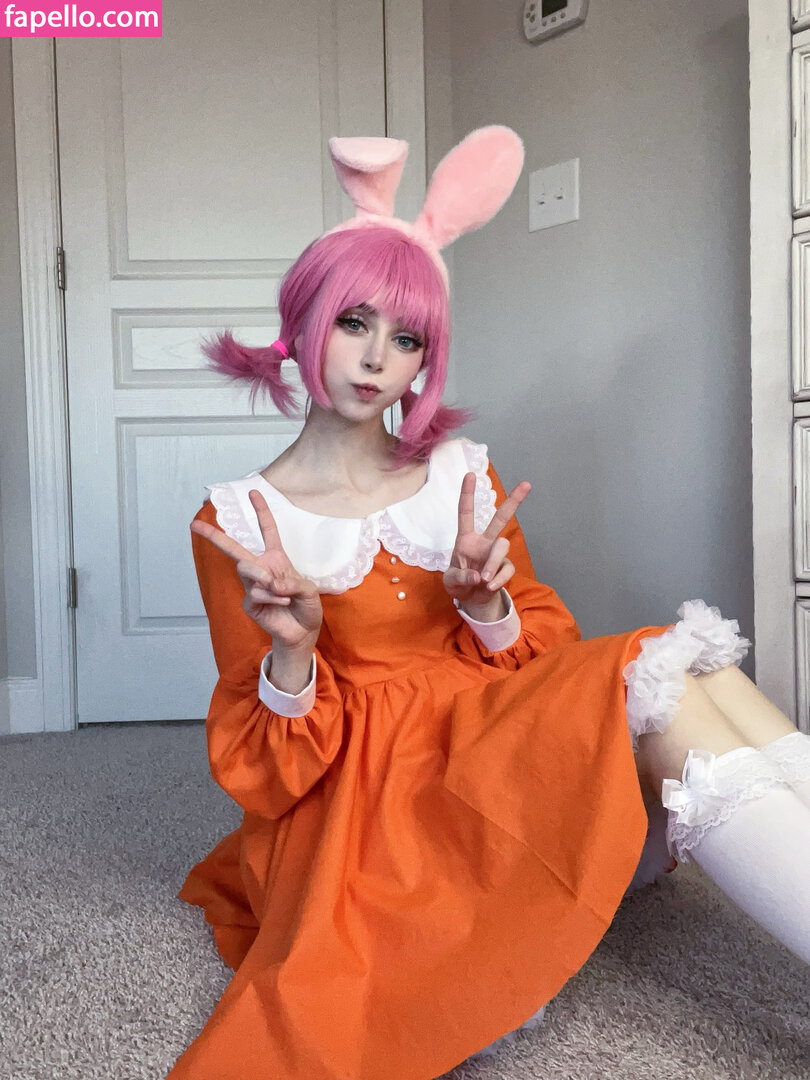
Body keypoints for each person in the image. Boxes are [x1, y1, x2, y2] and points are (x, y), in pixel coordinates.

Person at [169, 127, 810, 1080]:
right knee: (671, 686)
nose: (375, 358)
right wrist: (295, 651)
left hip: (493, 741)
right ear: (303, 320)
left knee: (689, 672)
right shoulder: (236, 522)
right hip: (378, 803)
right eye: (354, 323)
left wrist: (484, 605)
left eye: (406, 338)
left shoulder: (462, 477)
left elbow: (545, 655)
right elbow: (263, 775)